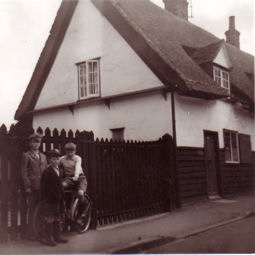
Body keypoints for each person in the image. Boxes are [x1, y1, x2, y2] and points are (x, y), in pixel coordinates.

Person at [21, 132, 48, 240]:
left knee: (42, 210)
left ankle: (40, 232)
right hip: (33, 187)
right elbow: (24, 172)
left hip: (43, 187)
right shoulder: (26, 155)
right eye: (33, 142)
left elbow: (46, 171)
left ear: (40, 143)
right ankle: (30, 234)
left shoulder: (43, 156)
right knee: (32, 210)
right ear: (30, 143)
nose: (36, 144)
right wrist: (27, 186)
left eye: (38, 142)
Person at [40, 149, 68, 246]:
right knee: (50, 217)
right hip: (50, 199)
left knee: (57, 216)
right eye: (53, 159)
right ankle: (49, 238)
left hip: (58, 198)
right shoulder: (47, 171)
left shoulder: (59, 170)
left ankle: (57, 236)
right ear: (49, 160)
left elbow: (60, 185)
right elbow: (44, 186)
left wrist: (62, 195)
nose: (55, 161)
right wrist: (47, 198)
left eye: (57, 159)